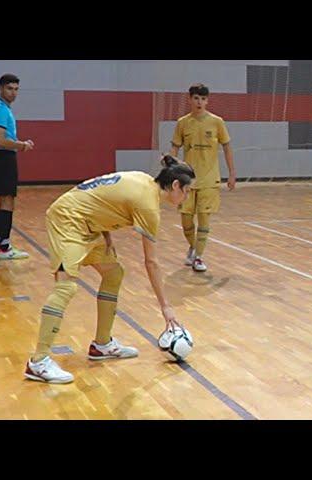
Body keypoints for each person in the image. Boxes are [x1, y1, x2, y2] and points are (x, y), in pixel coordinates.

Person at [24, 156, 195, 384]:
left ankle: (101, 345)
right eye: (187, 190)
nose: (187, 196)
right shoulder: (149, 206)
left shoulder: (143, 181)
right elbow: (151, 262)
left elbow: (101, 197)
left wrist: (106, 233)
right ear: (175, 185)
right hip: (69, 219)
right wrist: (166, 308)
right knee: (66, 287)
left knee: (114, 273)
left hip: (88, 223)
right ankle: (38, 362)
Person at [169, 83, 235, 272]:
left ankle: (199, 257)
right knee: (186, 221)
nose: (200, 102)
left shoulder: (217, 122)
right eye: (196, 98)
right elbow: (175, 147)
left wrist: (231, 173)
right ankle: (193, 246)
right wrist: (171, 165)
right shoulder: (183, 123)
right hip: (187, 180)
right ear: (190, 99)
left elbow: (227, 147)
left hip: (209, 179)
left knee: (204, 219)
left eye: (203, 99)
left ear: (207, 100)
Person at [0, 73, 34, 260]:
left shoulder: (2, 108)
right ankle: (4, 247)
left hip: (2, 158)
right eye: (9, 88)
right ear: (1, 88)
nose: (13, 93)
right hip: (2, 158)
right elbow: (1, 140)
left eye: (16, 89)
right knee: (8, 202)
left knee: (5, 201)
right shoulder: (0, 110)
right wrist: (22, 145)